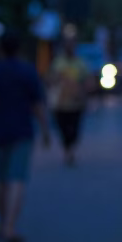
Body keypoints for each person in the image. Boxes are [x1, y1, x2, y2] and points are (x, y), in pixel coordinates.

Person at [0, 31, 50, 242]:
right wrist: (45, 131)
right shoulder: (27, 72)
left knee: (0, 180)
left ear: (0, 48)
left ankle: (2, 223)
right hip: (21, 133)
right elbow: (37, 105)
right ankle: (9, 226)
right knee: (15, 179)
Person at [48, 38, 92, 166]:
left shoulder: (80, 63)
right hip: (60, 103)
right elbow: (51, 79)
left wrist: (85, 93)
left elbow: (87, 81)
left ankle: (71, 150)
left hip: (76, 102)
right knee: (62, 128)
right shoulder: (58, 63)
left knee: (74, 129)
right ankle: (67, 149)